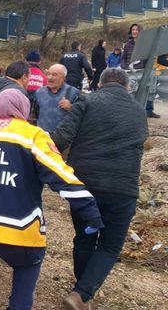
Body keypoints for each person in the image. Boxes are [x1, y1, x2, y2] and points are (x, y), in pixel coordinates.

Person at [0, 89, 103, 310]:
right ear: (24, 110)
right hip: (17, 227)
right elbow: (62, 177)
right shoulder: (33, 136)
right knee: (25, 273)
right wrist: (91, 213)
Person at [52, 69, 148, 310]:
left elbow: (60, 139)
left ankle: (82, 291)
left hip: (84, 186)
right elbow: (142, 142)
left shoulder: (87, 100)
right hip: (122, 189)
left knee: (84, 238)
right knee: (109, 245)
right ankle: (82, 294)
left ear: (100, 84)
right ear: (127, 87)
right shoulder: (139, 109)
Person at [121, 23, 161, 118]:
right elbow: (123, 59)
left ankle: (149, 110)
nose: (134, 31)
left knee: (148, 90)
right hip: (131, 72)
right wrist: (126, 66)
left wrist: (148, 68)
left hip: (143, 71)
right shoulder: (127, 45)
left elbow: (149, 58)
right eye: (133, 30)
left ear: (140, 32)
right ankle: (131, 111)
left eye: (137, 30)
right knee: (132, 91)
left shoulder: (145, 44)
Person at [32, 64, 81, 133]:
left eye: (54, 75)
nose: (50, 77)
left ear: (63, 78)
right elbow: (33, 116)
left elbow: (82, 117)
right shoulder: (39, 92)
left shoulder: (73, 93)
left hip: (64, 138)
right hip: (42, 137)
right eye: (48, 74)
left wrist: (71, 108)